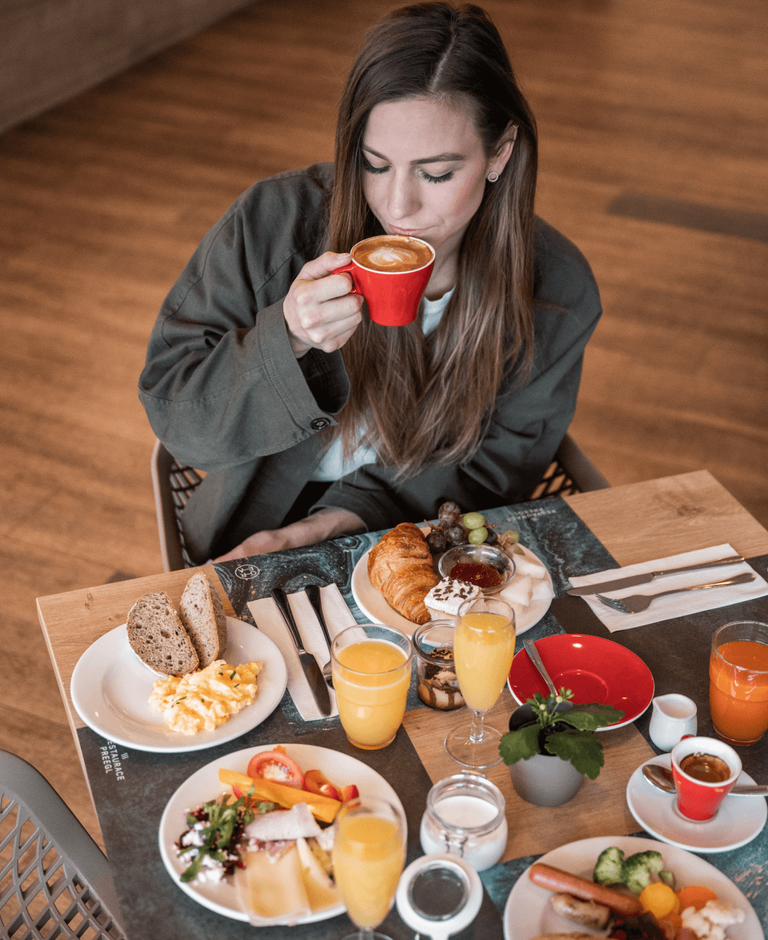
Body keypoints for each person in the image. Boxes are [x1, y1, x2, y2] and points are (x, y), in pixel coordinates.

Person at [139, 1, 602, 564]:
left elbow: (497, 466)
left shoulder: (557, 290)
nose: (396, 205)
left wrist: (338, 522)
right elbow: (179, 419)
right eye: (374, 163)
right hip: (256, 524)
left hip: (419, 529)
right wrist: (285, 338)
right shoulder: (272, 225)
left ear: (499, 154)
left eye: (436, 173)